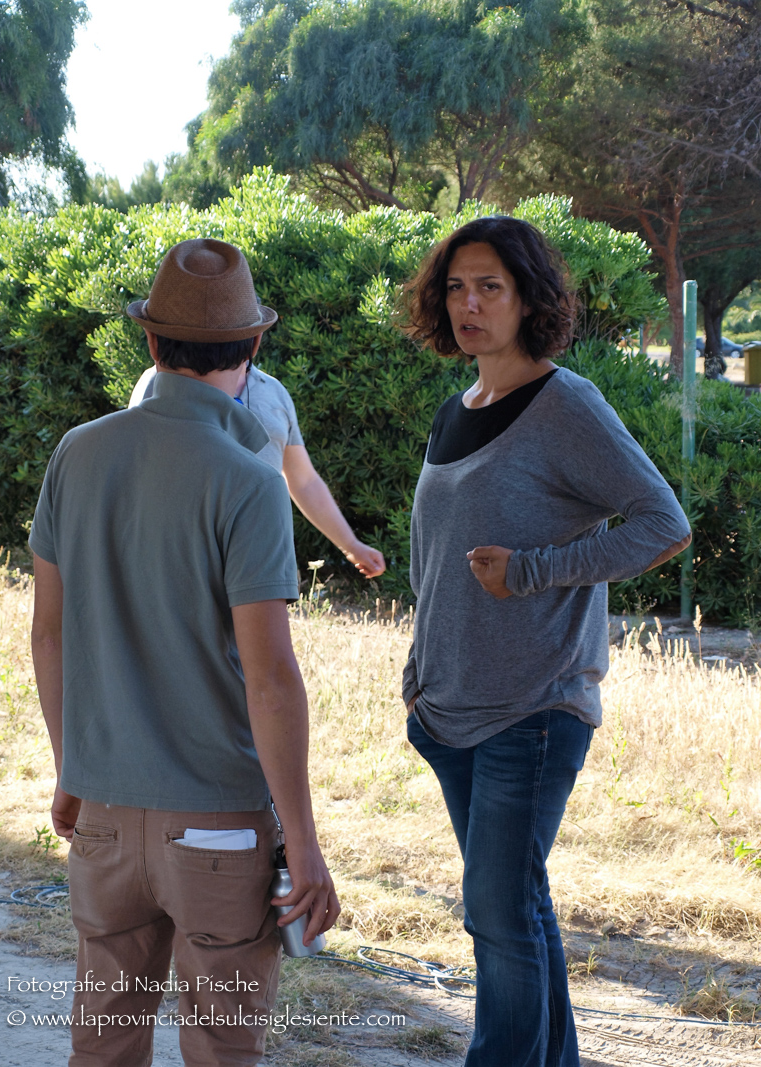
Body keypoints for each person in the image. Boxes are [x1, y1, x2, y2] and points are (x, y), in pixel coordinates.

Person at [30, 238, 340, 1066]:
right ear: (255, 344)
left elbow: (49, 633)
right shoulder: (250, 479)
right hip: (221, 828)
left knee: (101, 1047)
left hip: (100, 811)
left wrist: (71, 768)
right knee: (221, 1050)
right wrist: (305, 844)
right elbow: (271, 679)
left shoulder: (76, 452)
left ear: (150, 340)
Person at [400, 216, 691, 1067]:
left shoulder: (567, 404)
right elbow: (434, 561)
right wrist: (419, 672)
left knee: (497, 912)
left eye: (490, 286)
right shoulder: (456, 411)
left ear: (529, 298)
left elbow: (663, 523)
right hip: (450, 709)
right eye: (456, 287)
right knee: (514, 908)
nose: (469, 304)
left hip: (532, 709)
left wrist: (533, 570)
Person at [129, 350, 386, 580]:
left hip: (259, 555)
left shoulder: (274, 392)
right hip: (184, 557)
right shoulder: (158, 382)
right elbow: (136, 470)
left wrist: (351, 546)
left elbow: (304, 481)